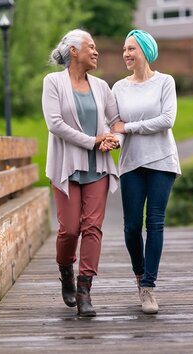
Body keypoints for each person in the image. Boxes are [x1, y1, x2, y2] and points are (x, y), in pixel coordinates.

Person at [42, 29, 120, 317]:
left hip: (97, 168)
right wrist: (93, 140)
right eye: (91, 46)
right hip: (66, 166)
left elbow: (117, 121)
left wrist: (114, 139)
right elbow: (55, 124)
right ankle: (66, 270)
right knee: (70, 229)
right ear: (74, 51)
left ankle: (85, 289)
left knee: (92, 228)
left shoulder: (101, 86)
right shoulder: (53, 82)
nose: (96, 51)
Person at [109, 29, 181, 315]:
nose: (126, 54)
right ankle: (139, 275)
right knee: (130, 227)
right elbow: (116, 126)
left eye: (132, 49)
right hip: (131, 163)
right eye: (124, 49)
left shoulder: (165, 82)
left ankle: (149, 288)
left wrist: (128, 128)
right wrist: (113, 139)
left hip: (162, 160)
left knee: (155, 223)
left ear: (146, 52)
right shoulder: (118, 88)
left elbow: (167, 120)